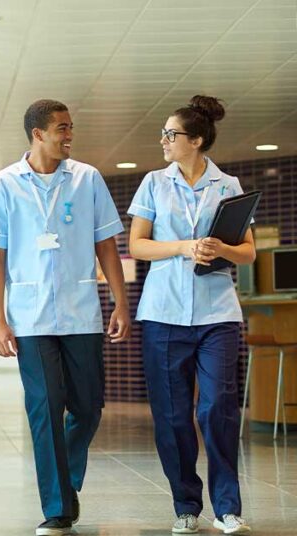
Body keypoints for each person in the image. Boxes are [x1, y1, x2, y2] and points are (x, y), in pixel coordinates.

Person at [0, 99, 130, 536]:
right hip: (29, 317)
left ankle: (65, 480)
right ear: (37, 133)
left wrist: (120, 301)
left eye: (70, 128)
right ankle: (58, 506)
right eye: (61, 128)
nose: (69, 135)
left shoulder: (88, 179)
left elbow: (106, 244)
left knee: (87, 408)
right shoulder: (3, 184)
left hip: (82, 312)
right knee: (44, 408)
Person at [127, 95, 254, 535]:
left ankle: (227, 507)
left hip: (218, 313)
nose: (163, 140)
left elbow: (249, 252)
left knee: (218, 407)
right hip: (163, 313)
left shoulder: (229, 185)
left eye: (171, 134)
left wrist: (221, 249)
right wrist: (183, 247)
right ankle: (185, 504)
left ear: (196, 140)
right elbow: (138, 245)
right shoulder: (153, 184)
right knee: (174, 414)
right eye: (163, 133)